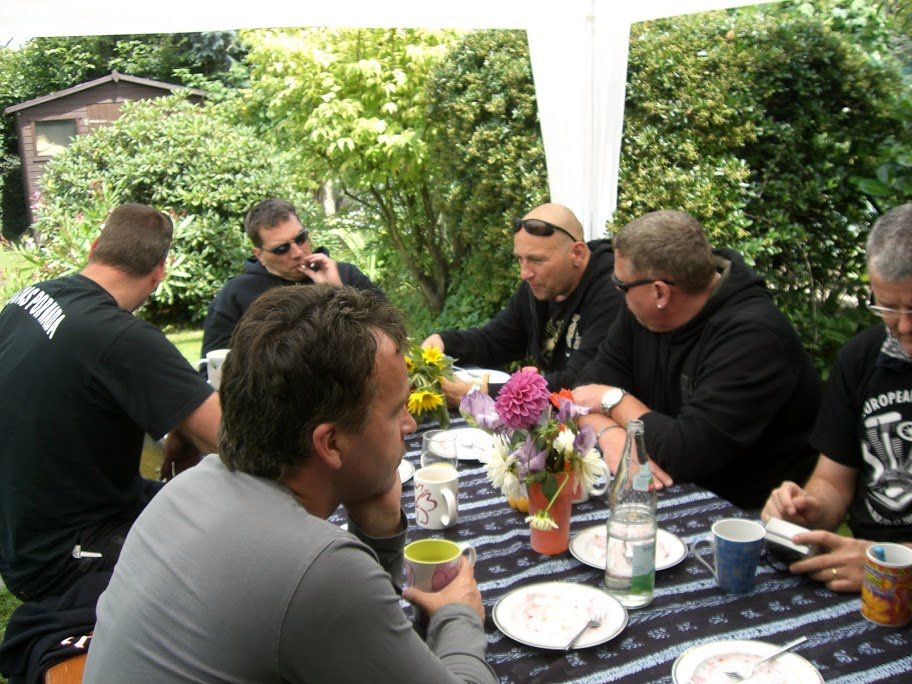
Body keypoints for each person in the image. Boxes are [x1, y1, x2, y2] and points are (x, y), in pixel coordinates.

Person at [84, 285, 496, 683]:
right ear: (330, 443)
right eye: (396, 411)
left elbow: (363, 647)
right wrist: (457, 615)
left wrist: (378, 533)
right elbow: (335, 603)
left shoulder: (185, 489)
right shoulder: (320, 570)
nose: (410, 424)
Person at [0, 204, 220, 602]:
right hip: (64, 556)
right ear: (159, 273)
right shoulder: (119, 337)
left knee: (195, 501)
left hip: (25, 530)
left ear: (95, 247)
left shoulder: (29, 299)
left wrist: (182, 427)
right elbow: (234, 438)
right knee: (232, 547)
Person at [573, 210, 820, 511]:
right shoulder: (642, 311)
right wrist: (609, 433)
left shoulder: (754, 337)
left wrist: (613, 400)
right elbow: (584, 390)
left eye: (621, 284)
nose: (617, 290)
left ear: (660, 292)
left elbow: (685, 454)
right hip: (667, 487)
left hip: (747, 513)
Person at [762, 203, 912, 592]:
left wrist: (893, 566)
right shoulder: (863, 358)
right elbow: (833, 481)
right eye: (888, 307)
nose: (903, 327)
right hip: (862, 579)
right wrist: (808, 509)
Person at [422, 203, 622, 405]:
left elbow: (581, 383)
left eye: (537, 260)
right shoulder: (541, 286)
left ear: (577, 254)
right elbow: (496, 341)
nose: (525, 273)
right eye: (520, 259)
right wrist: (445, 342)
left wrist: (478, 392)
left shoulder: (613, 292)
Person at [201, 197, 384, 355]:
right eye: (282, 248)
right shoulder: (236, 294)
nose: (297, 252)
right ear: (259, 254)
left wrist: (337, 292)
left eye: (300, 239)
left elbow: (388, 333)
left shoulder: (346, 275)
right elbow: (212, 367)